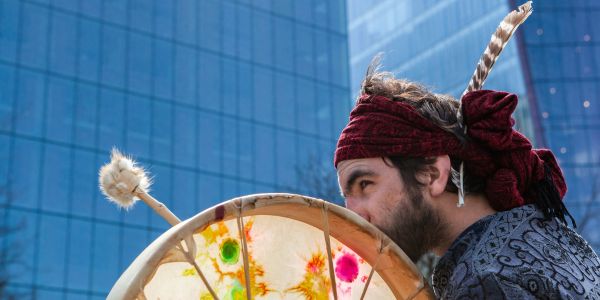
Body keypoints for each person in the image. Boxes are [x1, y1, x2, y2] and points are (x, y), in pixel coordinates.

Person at [334, 63, 600, 299]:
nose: (354, 215)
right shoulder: (554, 238)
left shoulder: (483, 281)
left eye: (365, 184)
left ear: (433, 173)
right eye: (346, 198)